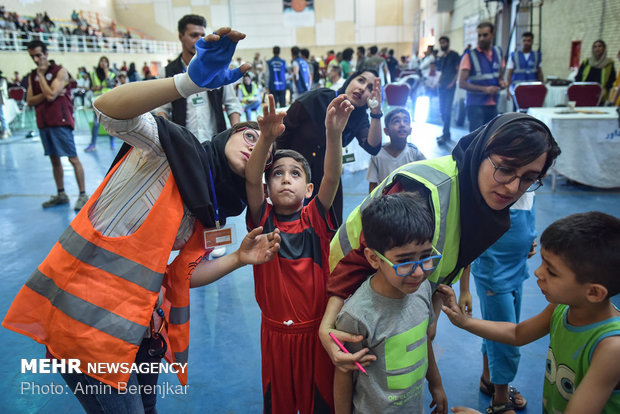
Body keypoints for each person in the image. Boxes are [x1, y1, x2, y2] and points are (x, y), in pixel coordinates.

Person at [3, 27, 280, 414]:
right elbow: (108, 108)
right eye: (249, 135)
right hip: (83, 321)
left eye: (264, 150)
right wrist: (188, 82)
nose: (256, 145)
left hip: (137, 326)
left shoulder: (211, 210)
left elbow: (180, 275)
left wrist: (237, 259)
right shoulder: (168, 150)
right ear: (225, 136)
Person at [319, 112, 561, 374]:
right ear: (482, 152)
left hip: (394, 295)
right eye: (505, 169)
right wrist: (327, 325)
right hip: (341, 293)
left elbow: (448, 257)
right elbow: (357, 259)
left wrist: (430, 311)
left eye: (528, 179)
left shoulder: (481, 201)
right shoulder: (425, 190)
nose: (514, 188)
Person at [439, 211, 620, 414]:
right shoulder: (564, 307)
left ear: (594, 292)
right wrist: (463, 322)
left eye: (551, 271)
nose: (538, 272)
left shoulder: (611, 348)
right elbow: (518, 334)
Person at [245, 94, 352, 412]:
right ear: (268, 188)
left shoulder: (315, 218)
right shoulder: (262, 221)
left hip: (316, 333)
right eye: (277, 174)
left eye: (295, 174)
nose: (286, 179)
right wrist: (265, 139)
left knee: (320, 405)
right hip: (275, 335)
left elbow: (331, 176)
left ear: (308, 189)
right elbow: (251, 179)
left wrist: (333, 134)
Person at [333, 192, 447, 414]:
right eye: (404, 262)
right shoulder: (357, 316)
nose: (419, 271)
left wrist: (436, 383)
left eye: (425, 256)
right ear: (374, 258)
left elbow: (424, 339)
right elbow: (344, 373)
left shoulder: (422, 288)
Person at [159, 14, 243, 259]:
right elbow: (161, 109)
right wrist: (167, 138)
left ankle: (215, 236)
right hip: (181, 146)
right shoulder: (168, 71)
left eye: (201, 34)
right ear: (181, 36)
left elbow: (232, 104)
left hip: (214, 143)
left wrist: (236, 133)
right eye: (193, 35)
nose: (198, 39)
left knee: (216, 191)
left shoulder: (218, 67)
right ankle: (185, 239)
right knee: (182, 194)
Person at [276, 69, 383, 223]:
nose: (362, 88)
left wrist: (376, 113)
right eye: (361, 80)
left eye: (370, 89)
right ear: (350, 80)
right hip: (294, 171)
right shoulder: (317, 98)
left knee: (327, 225)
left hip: (327, 176)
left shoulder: (359, 117)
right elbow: (283, 132)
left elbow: (373, 147)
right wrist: (280, 168)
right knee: (291, 222)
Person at [467, 191, 537, 413]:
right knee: (506, 336)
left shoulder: (530, 188)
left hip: (517, 270)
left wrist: (528, 241)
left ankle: (489, 379)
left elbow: (525, 224)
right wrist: (463, 289)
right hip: (494, 278)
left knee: (497, 329)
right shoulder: (493, 192)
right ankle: (499, 397)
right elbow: (468, 240)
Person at [24, 40, 88, 210]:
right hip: (44, 123)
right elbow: (30, 100)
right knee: (54, 159)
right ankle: (61, 194)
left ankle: (83, 195)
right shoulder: (32, 75)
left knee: (73, 158)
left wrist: (42, 77)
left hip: (61, 121)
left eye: (38, 55)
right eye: (32, 56)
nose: (36, 59)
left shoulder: (60, 71)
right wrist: (48, 92)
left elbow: (51, 96)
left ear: (46, 53)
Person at [459, 22, 506, 132]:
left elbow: (499, 77)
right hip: (475, 104)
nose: (481, 38)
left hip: (493, 103)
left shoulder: (498, 53)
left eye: (485, 35)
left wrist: (502, 83)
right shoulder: (470, 55)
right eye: (479, 35)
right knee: (476, 139)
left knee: (491, 138)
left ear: (492, 35)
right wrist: (485, 89)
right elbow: (461, 83)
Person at [366, 108, 425, 193]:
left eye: (406, 121)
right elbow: (373, 184)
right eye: (396, 121)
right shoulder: (377, 154)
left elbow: (426, 177)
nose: (402, 125)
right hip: (385, 201)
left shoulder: (415, 153)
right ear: (386, 131)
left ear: (410, 130)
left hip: (409, 200)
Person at [85, 56, 116, 152]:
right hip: (97, 102)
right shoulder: (93, 74)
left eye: (105, 61)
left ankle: (112, 143)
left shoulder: (111, 74)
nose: (103, 63)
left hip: (108, 101)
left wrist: (106, 71)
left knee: (111, 123)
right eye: (101, 61)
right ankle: (92, 144)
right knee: (95, 124)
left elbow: (110, 84)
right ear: (99, 62)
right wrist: (95, 88)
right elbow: (89, 87)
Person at [505, 32, 543, 106]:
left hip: (533, 89)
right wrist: (508, 89)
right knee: (518, 111)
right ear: (521, 42)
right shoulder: (514, 56)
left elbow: (539, 73)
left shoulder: (537, 56)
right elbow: (509, 74)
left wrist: (541, 87)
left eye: (528, 41)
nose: (526, 43)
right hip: (518, 89)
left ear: (532, 42)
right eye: (524, 40)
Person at [436, 36, 460, 144]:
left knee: (447, 110)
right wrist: (439, 81)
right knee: (441, 110)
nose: (442, 45)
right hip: (441, 86)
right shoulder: (442, 58)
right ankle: (446, 133)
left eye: (444, 42)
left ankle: (445, 134)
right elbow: (441, 71)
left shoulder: (454, 55)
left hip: (450, 86)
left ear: (448, 43)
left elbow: (458, 70)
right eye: (441, 43)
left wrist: (452, 83)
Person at [576, 40, 616, 104]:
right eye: (595, 47)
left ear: (604, 48)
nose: (597, 48)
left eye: (600, 46)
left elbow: (612, 80)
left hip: (601, 96)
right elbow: (578, 77)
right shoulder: (586, 62)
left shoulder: (609, 64)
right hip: (585, 94)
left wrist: (605, 91)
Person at [0, 69, 10, 139]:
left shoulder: (2, 80)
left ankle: (6, 129)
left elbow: (2, 88)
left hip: (0, 99)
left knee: (1, 115)